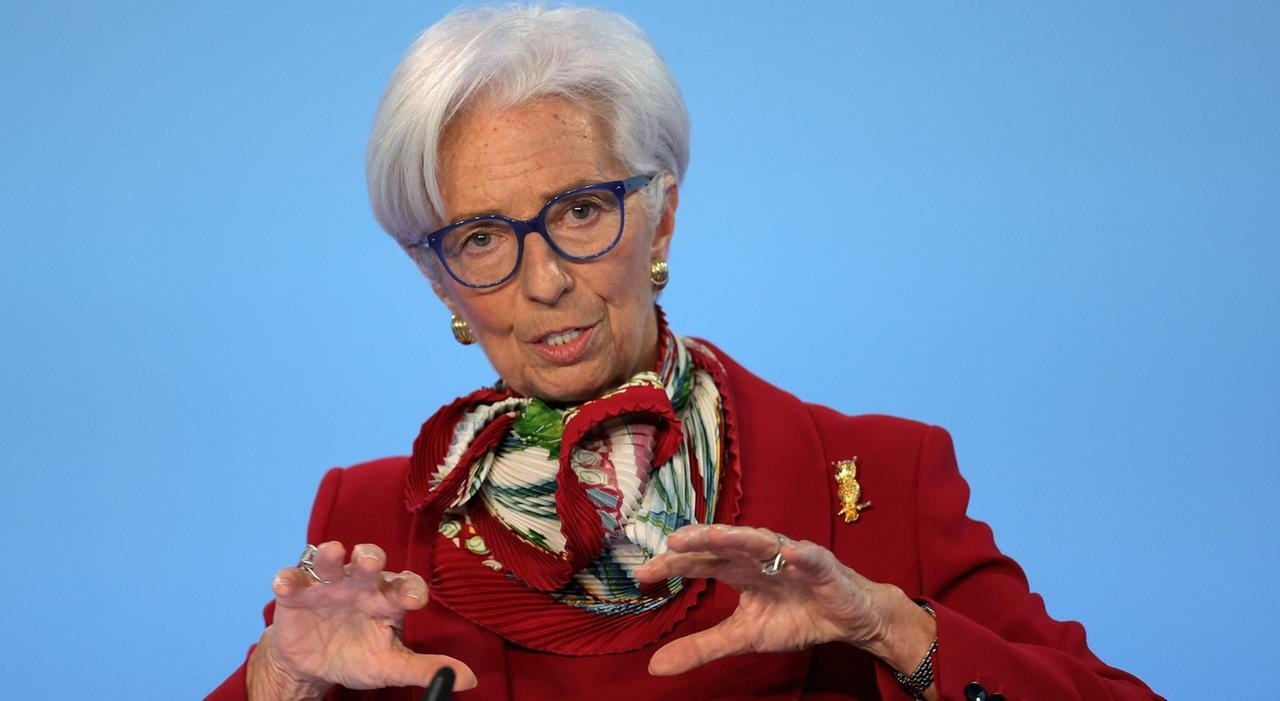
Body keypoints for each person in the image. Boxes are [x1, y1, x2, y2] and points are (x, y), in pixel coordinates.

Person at [209, 6, 1163, 700]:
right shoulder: (370, 526)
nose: (545, 280)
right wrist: (281, 681)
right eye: (483, 237)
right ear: (438, 279)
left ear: (661, 218)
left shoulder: (879, 476)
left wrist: (895, 630)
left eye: (582, 210)